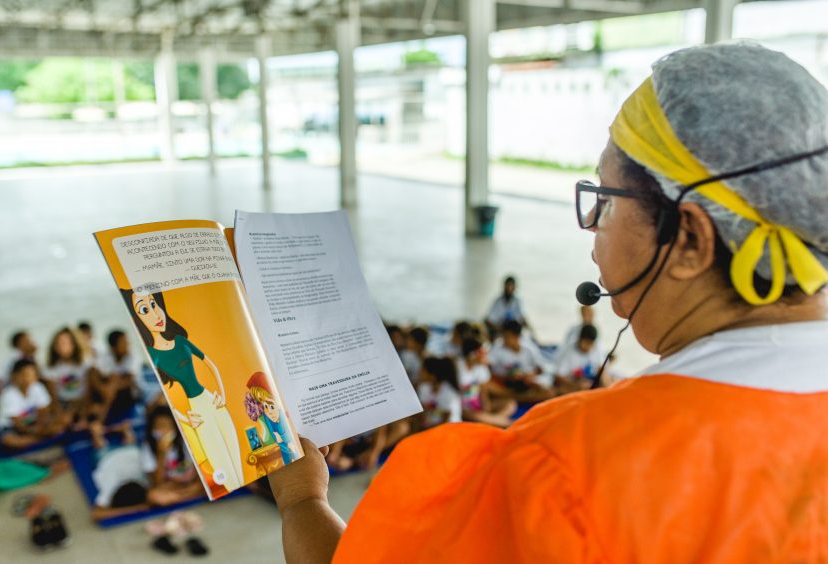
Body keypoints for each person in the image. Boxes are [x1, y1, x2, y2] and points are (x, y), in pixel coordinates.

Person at [266, 43, 828, 563]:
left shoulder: (568, 466)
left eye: (605, 202)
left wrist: (300, 499)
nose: (592, 234)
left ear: (688, 241)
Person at [121, 289, 245, 491]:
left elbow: (210, 365)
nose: (155, 314)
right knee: (217, 457)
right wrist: (186, 419)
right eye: (144, 310)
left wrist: (221, 393)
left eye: (154, 305)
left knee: (234, 448)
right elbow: (164, 393)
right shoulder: (154, 355)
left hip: (211, 400)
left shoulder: (180, 340)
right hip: (195, 410)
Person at [0, 359, 65, 450]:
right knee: (10, 441)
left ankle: (34, 440)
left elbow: (43, 412)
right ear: (15, 376)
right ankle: (38, 440)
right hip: (11, 427)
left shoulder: (38, 387)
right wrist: (38, 432)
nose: (29, 378)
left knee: (59, 425)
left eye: (33, 374)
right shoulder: (8, 395)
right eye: (25, 374)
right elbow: (18, 424)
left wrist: (42, 427)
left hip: (33, 424)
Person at [142, 405, 204, 506]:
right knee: (153, 496)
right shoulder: (148, 447)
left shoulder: (186, 440)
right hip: (170, 488)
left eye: (167, 426)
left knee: (206, 484)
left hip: (190, 484)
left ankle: (182, 498)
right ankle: (187, 497)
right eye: (159, 426)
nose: (163, 431)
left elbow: (199, 472)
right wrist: (161, 454)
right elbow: (157, 483)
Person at [457, 338, 516, 428]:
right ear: (472, 355)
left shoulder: (481, 368)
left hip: (477, 406)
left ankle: (492, 421)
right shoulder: (457, 369)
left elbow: (483, 392)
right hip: (463, 409)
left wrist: (486, 410)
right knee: (473, 415)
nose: (486, 356)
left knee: (510, 404)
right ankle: (504, 423)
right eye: (482, 353)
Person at [487, 320, 551, 399]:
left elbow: (541, 369)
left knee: (548, 392)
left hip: (526, 382)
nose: (504, 340)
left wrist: (529, 375)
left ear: (516, 337)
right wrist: (506, 377)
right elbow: (488, 369)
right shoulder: (497, 347)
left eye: (507, 337)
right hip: (504, 382)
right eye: (503, 336)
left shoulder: (529, 348)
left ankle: (517, 397)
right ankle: (522, 397)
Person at [88, 330, 140, 424]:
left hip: (130, 392)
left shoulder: (132, 356)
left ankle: (99, 419)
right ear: (113, 346)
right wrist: (103, 388)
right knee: (104, 376)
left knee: (113, 379)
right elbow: (94, 372)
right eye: (123, 342)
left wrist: (110, 388)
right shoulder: (106, 356)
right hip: (110, 392)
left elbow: (129, 380)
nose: (127, 345)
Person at [45, 327, 94, 426]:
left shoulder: (85, 363)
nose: (61, 347)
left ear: (74, 344)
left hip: (83, 401)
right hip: (64, 403)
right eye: (58, 343)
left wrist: (83, 415)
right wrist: (60, 414)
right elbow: (53, 396)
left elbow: (89, 390)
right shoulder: (51, 368)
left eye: (65, 343)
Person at [553, 324, 606, 393]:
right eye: (586, 343)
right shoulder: (568, 352)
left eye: (591, 344)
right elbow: (558, 376)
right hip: (572, 384)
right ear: (580, 339)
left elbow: (601, 368)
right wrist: (576, 385)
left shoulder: (596, 349)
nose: (589, 346)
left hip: (590, 382)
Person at [417, 357, 462, 428]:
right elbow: (423, 412)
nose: (419, 372)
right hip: (432, 427)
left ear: (432, 375)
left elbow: (445, 420)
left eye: (423, 370)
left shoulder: (449, 392)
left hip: (450, 428)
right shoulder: (423, 388)